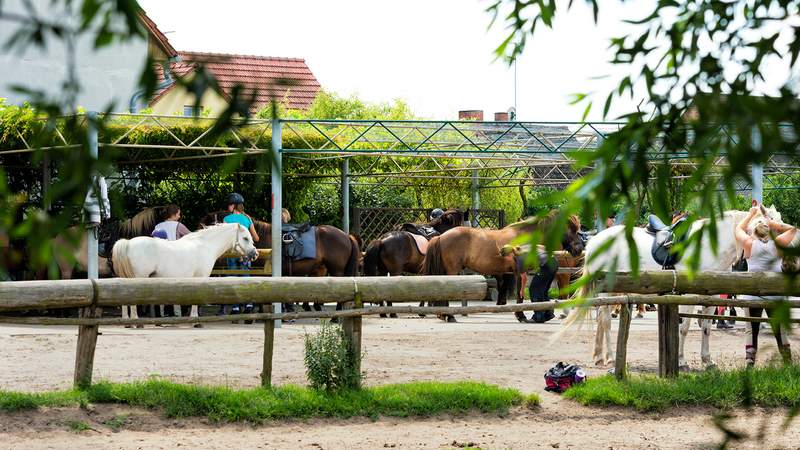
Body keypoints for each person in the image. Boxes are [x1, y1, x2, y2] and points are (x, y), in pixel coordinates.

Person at [734, 201, 796, 366]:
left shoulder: (748, 244)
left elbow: (738, 229)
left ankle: (749, 362)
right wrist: (772, 222)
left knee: (751, 329)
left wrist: (751, 213)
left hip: (751, 294)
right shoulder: (778, 244)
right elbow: (794, 229)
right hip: (774, 296)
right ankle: (787, 362)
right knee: (779, 329)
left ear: (754, 231)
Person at [222, 193, 260, 318]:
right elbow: (256, 238)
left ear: (233, 206)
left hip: (232, 254)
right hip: (245, 255)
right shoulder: (247, 219)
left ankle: (236, 306)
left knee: (233, 279)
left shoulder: (226, 219)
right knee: (245, 279)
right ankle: (248, 305)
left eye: (229, 205)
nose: (228, 207)